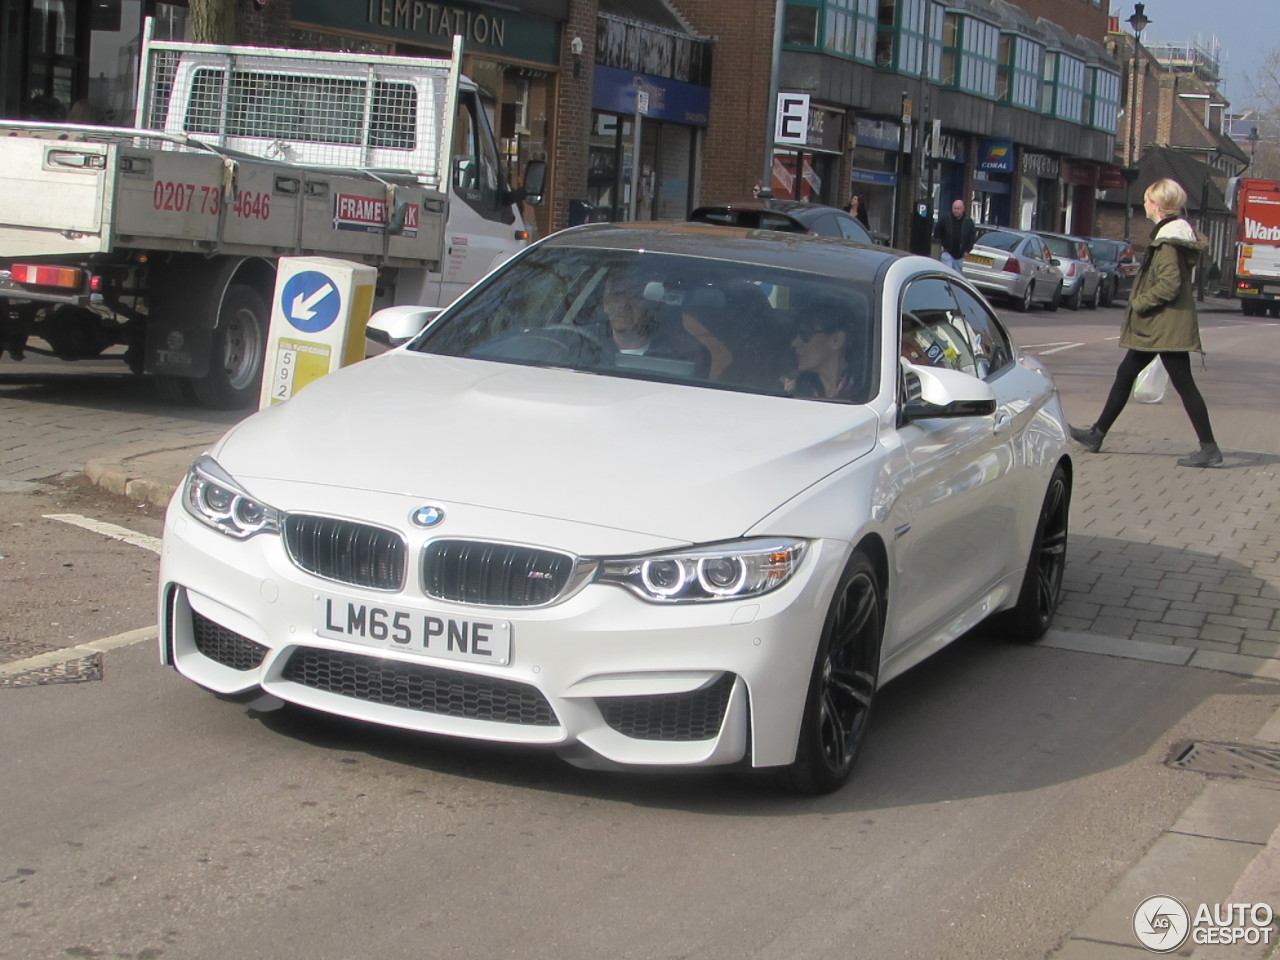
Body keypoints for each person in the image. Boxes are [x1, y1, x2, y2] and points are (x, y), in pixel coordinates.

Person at [1069, 178, 1220, 467]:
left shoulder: (1166, 243)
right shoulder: (1171, 236)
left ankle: (1210, 448)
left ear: (1159, 206)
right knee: (1127, 372)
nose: (1144, 205)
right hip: (1161, 326)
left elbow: (1169, 284)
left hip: (1163, 325)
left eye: (1148, 200)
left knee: (1183, 384)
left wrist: (1140, 302)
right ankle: (1097, 434)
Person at [602, 272, 709, 375]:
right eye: (616, 296)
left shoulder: (674, 357)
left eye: (635, 297)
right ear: (605, 304)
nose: (623, 304)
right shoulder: (591, 350)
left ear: (649, 307)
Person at [783, 301, 862, 400]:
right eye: (795, 335)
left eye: (805, 335)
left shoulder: (864, 391)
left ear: (836, 340)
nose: (794, 343)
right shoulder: (787, 389)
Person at [933, 198, 976, 273]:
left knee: (957, 276)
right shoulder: (945, 219)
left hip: (960, 256)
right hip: (947, 253)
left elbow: (972, 237)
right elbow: (937, 231)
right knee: (948, 273)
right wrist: (940, 244)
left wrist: (967, 250)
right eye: (954, 208)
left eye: (958, 209)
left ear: (963, 209)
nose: (955, 210)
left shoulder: (969, 222)